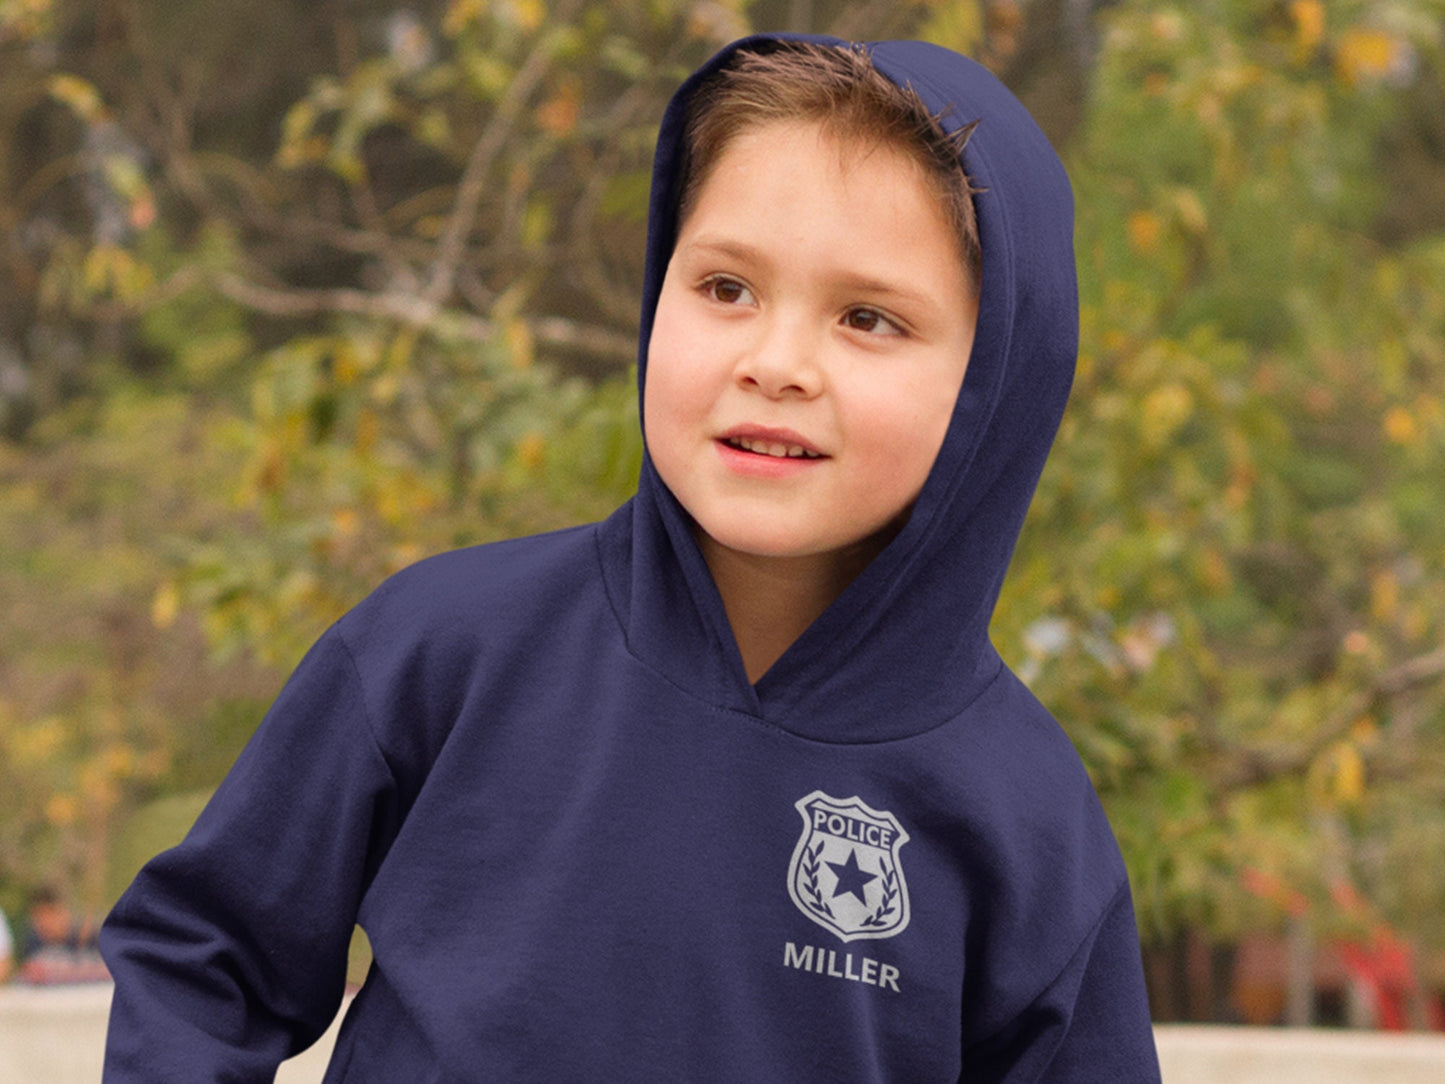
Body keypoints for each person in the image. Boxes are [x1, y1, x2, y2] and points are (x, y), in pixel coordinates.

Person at [101, 34, 1161, 1081]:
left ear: (995, 386)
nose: (775, 363)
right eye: (725, 289)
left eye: (867, 317)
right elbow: (204, 960)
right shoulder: (445, 648)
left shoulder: (1028, 820)